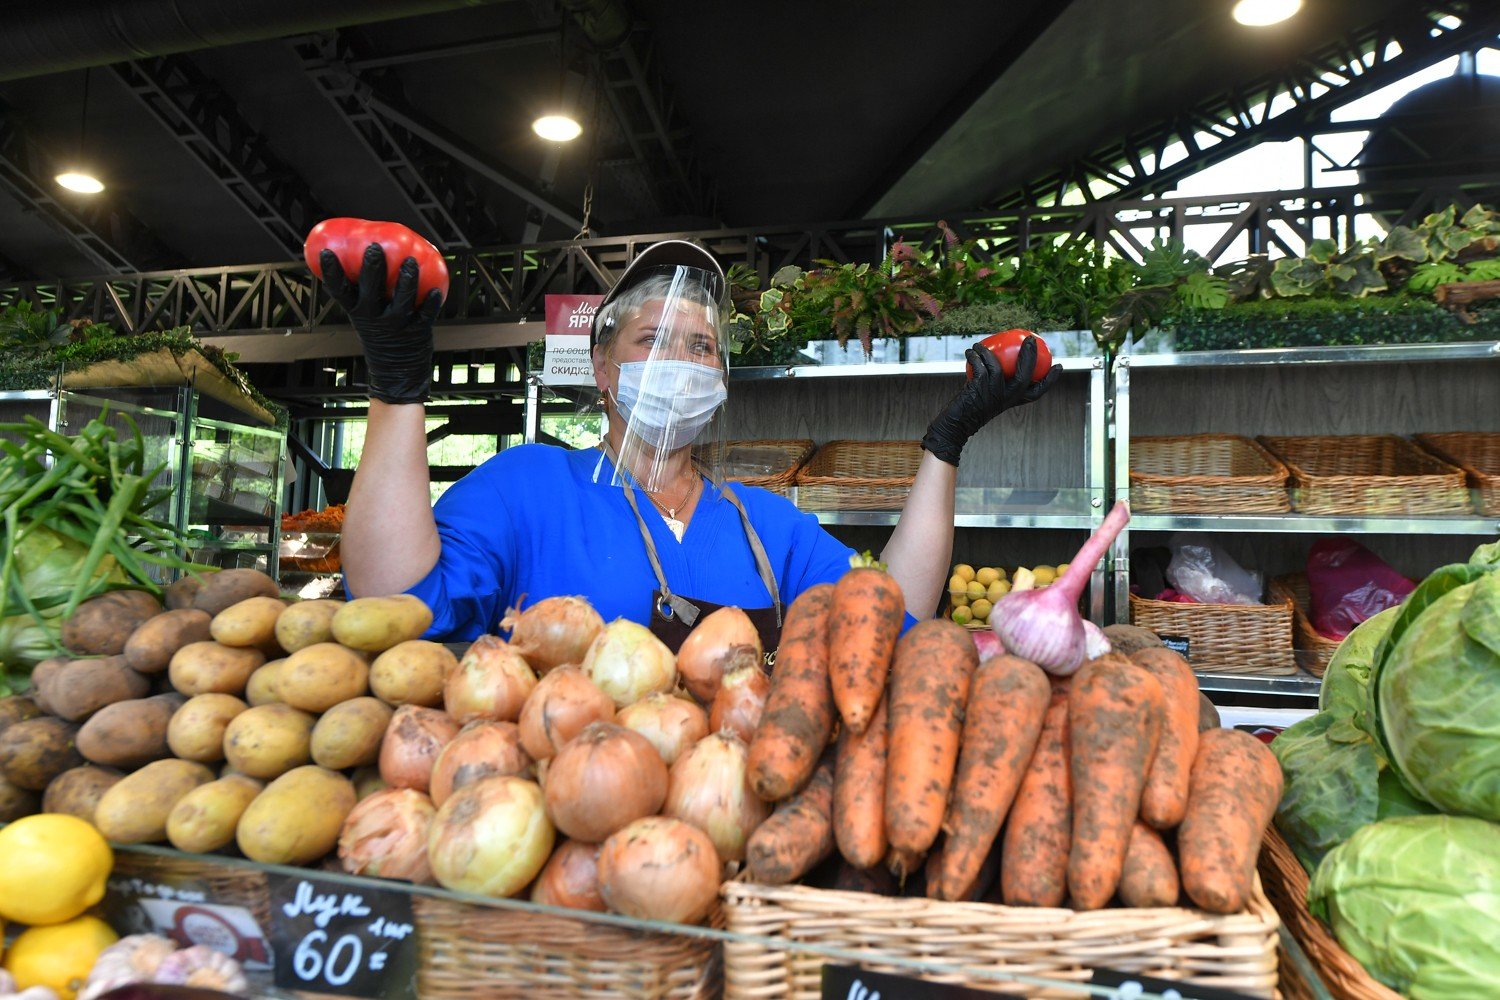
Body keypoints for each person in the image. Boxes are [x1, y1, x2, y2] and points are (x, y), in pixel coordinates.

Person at [322, 239, 1060, 652]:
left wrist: (946, 441)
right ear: (605, 372)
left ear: (721, 377)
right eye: (654, 340)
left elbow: (890, 615)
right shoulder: (528, 487)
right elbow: (397, 604)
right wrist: (396, 389)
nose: (680, 361)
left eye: (701, 346)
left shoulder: (762, 525)